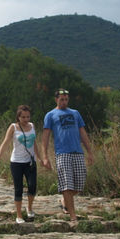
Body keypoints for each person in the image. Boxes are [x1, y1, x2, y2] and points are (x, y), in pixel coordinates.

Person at [41, 89, 94, 225]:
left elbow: (82, 132)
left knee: (78, 185)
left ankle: (65, 201)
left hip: (77, 152)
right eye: (61, 99)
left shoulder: (75, 113)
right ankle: (73, 216)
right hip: (62, 153)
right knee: (66, 185)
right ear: (56, 99)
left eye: (66, 99)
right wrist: (45, 156)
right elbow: (45, 136)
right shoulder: (50, 115)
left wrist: (90, 152)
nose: (64, 102)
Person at [0, 105, 40, 223]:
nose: (26, 119)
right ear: (18, 117)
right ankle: (19, 215)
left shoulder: (32, 126)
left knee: (32, 185)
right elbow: (5, 143)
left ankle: (29, 207)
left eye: (28, 117)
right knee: (18, 188)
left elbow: (34, 143)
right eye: (23, 117)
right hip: (17, 162)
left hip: (30, 162)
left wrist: (39, 157)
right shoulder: (13, 127)